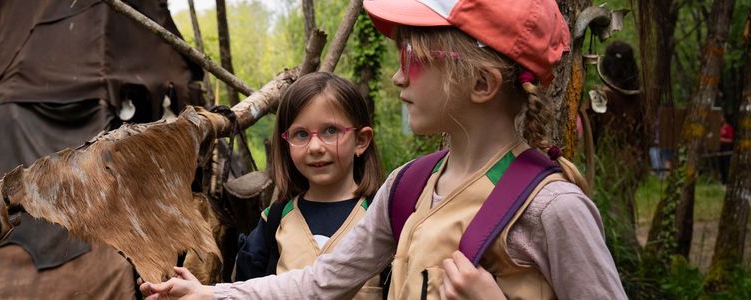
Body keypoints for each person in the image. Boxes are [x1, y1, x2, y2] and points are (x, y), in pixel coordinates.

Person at [140, 0, 626, 299]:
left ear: (480, 82)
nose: (397, 76)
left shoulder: (552, 209)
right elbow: (317, 284)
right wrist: (209, 295)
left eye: (413, 59)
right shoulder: (409, 187)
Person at [231, 72, 384, 299]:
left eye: (330, 131)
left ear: (360, 141)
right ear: (287, 144)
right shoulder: (274, 220)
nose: (314, 147)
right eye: (301, 134)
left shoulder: (381, 217)